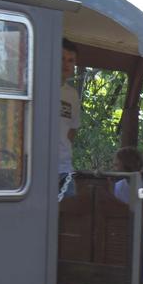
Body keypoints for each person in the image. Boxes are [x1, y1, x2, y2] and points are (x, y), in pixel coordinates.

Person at [59, 38, 81, 198]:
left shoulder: (72, 95)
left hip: (64, 169)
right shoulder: (38, 85)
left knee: (70, 219)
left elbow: (72, 130)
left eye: (70, 60)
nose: (66, 64)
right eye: (61, 58)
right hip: (37, 170)